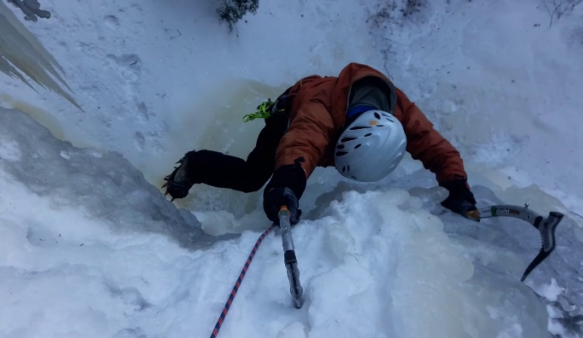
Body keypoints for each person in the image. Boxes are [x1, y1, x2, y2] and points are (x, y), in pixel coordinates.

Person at [162, 62, 478, 225]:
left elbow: (435, 145)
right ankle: (195, 165)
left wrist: (456, 183)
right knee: (253, 178)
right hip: (290, 113)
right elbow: (303, 142)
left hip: (325, 114)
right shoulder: (320, 109)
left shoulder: (400, 112)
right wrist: (286, 183)